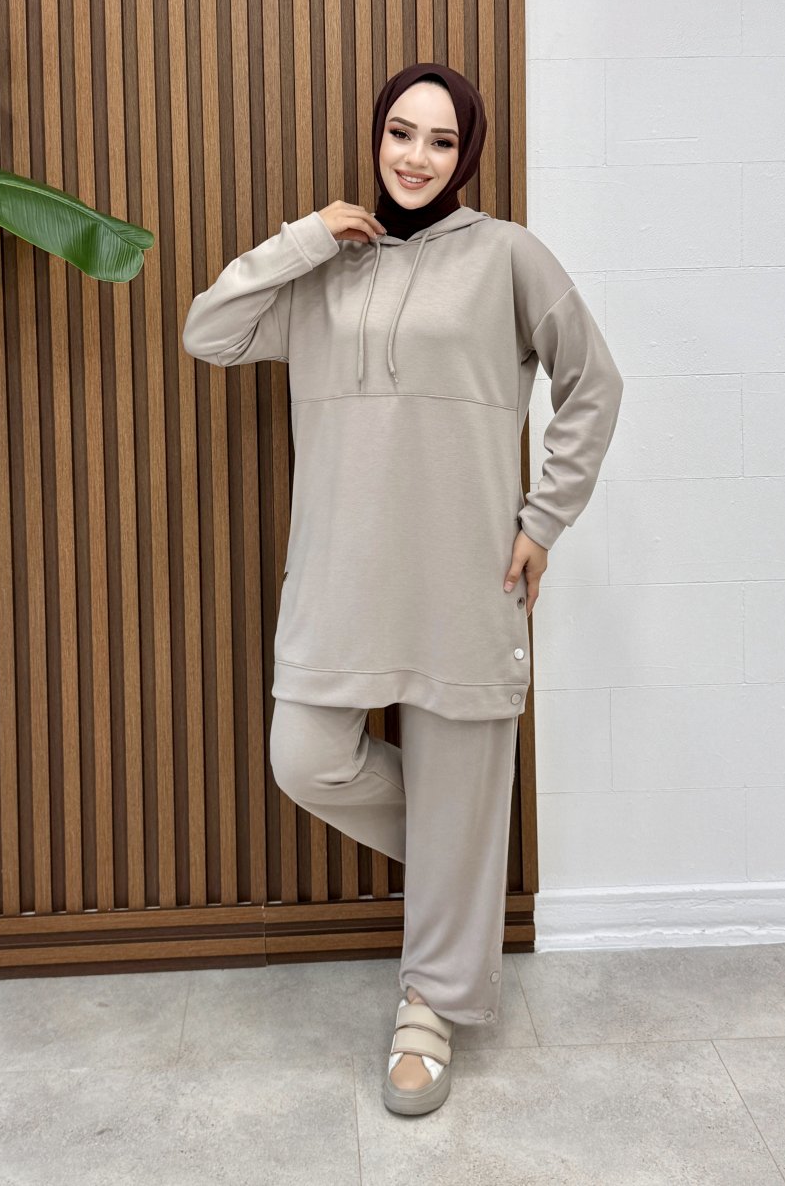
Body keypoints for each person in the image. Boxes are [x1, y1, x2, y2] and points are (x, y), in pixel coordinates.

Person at [182, 61, 624, 1116]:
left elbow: (593, 382)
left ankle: (430, 1003)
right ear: (375, 137)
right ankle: (459, 866)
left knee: (462, 775)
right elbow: (210, 331)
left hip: (466, 572)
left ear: (465, 154)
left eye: (440, 139)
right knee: (306, 757)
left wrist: (543, 518)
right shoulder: (326, 269)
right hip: (338, 569)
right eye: (400, 132)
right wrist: (302, 238)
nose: (416, 156)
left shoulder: (508, 256)